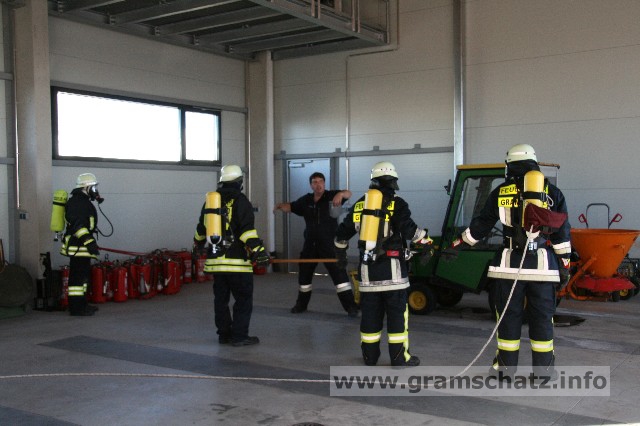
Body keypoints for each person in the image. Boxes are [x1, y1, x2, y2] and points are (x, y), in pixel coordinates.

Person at [450, 144, 571, 381]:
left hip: (508, 266)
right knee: (542, 319)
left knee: (507, 318)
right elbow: (562, 233)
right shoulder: (552, 192)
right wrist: (565, 265)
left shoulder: (501, 192)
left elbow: (481, 226)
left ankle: (504, 370)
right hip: (542, 268)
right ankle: (544, 372)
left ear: (510, 166)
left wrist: (458, 243)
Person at [334, 162, 432, 366]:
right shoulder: (397, 204)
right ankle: (399, 358)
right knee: (397, 318)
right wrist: (427, 242)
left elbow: (341, 234)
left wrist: (341, 254)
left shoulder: (360, 205)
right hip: (393, 275)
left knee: (370, 317)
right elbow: (410, 231)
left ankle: (370, 357)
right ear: (393, 182)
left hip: (367, 275)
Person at [194, 165, 270, 347]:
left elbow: (201, 229)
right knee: (243, 300)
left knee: (221, 300)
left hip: (216, 264)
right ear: (239, 182)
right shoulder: (241, 201)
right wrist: (259, 251)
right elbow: (246, 231)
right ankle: (239, 336)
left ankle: (224, 335)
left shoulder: (211, 202)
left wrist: (197, 245)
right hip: (237, 264)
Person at [274, 172, 358, 317]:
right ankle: (301, 305)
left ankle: (351, 307)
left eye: (320, 181)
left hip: (329, 246)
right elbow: (292, 207)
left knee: (340, 277)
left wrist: (340, 194)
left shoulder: (332, 196)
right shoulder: (305, 200)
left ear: (324, 183)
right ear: (311, 185)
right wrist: (280, 205)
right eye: (315, 182)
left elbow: (348, 193)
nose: (318, 184)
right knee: (304, 278)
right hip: (310, 246)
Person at [59, 173, 104, 316]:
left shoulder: (81, 201)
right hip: (78, 247)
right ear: (86, 187)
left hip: (82, 247)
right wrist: (90, 243)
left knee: (82, 278)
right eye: (94, 187)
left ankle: (82, 304)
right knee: (77, 279)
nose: (95, 190)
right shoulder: (78, 203)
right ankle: (77, 308)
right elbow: (78, 226)